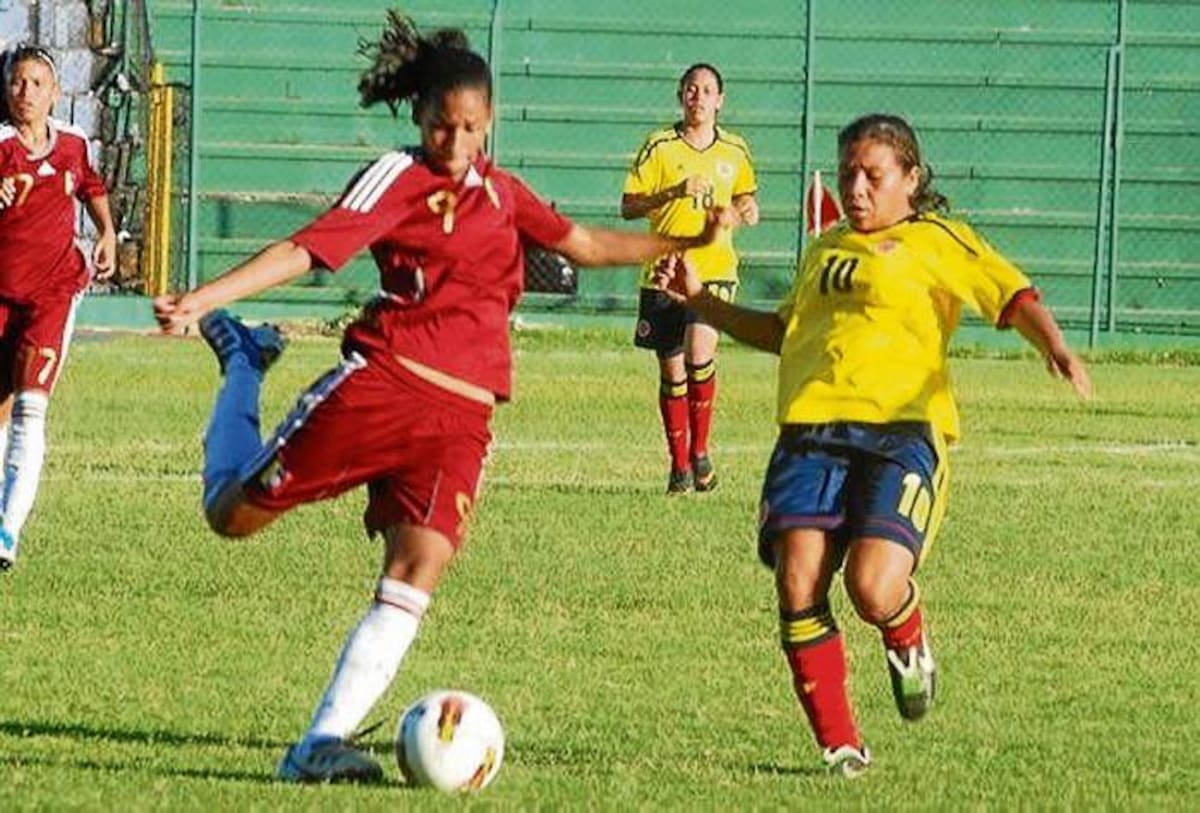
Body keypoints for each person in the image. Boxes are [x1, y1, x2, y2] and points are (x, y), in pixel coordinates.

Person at [152, 11, 724, 784]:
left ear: (488, 124)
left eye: (470, 129)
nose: (455, 145)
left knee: (416, 568)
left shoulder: (505, 193)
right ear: (420, 118)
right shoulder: (401, 176)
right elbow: (310, 247)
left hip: (464, 419)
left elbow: (585, 244)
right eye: (441, 127)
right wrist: (201, 298)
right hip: (383, 388)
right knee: (230, 514)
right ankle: (245, 362)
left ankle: (319, 741)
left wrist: (682, 244)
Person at [654, 113, 1092, 777]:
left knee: (872, 584)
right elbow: (782, 332)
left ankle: (906, 633)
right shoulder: (826, 246)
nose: (856, 188)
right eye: (849, 173)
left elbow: (1009, 292)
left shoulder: (935, 239)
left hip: (900, 433)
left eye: (873, 175)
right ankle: (842, 746)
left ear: (910, 180)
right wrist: (699, 302)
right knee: (798, 580)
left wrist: (1052, 342)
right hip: (809, 434)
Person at [0, 45, 116, 571]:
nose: (26, 93)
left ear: (55, 92)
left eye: (36, 84)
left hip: (53, 293)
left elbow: (90, 186)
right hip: (2, 296)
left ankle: (7, 532)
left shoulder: (73, 144)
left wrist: (107, 232)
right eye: (17, 83)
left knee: (31, 407)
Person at [621, 63, 758, 494]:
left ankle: (700, 451)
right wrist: (673, 191)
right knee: (672, 367)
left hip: (714, 271)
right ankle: (679, 468)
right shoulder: (659, 146)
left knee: (701, 350)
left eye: (707, 90)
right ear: (680, 96)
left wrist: (746, 210)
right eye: (691, 90)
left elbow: (746, 197)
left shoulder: (734, 150)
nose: (698, 98)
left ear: (721, 100)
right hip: (664, 273)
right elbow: (628, 205)